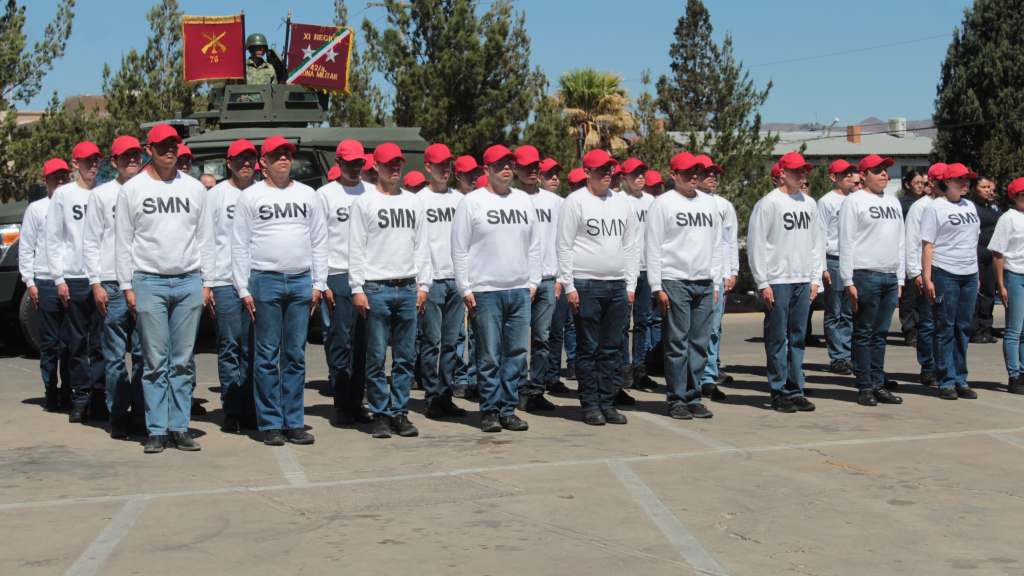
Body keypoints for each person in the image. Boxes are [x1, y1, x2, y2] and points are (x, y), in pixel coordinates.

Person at [115, 123, 208, 453]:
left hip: (187, 281)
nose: (170, 150)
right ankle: (156, 428)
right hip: (149, 281)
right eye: (163, 145)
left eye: (174, 145)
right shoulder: (133, 189)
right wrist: (127, 285)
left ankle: (179, 426)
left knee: (182, 360)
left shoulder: (195, 189)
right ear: (149, 150)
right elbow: (124, 242)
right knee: (154, 361)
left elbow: (204, 239)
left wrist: (205, 281)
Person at [233, 135, 326, 446]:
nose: (284, 159)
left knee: (295, 355)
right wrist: (243, 289)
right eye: (277, 155)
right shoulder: (251, 197)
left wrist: (318, 283)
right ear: (264, 163)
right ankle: (270, 422)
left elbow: (319, 240)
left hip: (301, 280)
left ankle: (293, 421)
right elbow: (240, 244)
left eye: (287, 154)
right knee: (267, 355)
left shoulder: (308, 195)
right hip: (265, 280)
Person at [452, 144, 541, 433]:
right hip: (485, 290)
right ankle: (489, 410)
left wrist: (533, 282)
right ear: (486, 169)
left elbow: (535, 245)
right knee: (489, 355)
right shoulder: (472, 202)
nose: (506, 168)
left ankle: (508, 408)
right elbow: (460, 248)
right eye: (500, 164)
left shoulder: (523, 201)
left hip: (519, 290)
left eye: (509, 164)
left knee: (516, 353)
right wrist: (465, 288)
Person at [350, 142, 432, 439]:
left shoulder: (413, 202)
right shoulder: (365, 202)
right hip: (376, 288)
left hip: (407, 286)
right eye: (389, 165)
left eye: (398, 164)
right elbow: (356, 248)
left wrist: (424, 284)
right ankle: (381, 414)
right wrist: (357, 288)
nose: (394, 169)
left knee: (405, 357)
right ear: (377, 168)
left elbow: (422, 247)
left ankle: (400, 412)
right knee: (375, 357)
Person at [557, 149, 639, 425]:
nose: (607, 174)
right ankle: (591, 404)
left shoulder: (622, 203)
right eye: (601, 170)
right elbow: (564, 246)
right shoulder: (575, 202)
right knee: (588, 347)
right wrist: (569, 286)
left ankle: (608, 402)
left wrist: (630, 284)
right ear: (587, 173)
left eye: (610, 169)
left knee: (611, 348)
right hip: (586, 284)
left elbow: (631, 245)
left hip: (616, 286)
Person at [646, 152, 720, 420]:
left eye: (696, 172)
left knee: (699, 343)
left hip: (704, 281)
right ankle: (676, 398)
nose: (693, 177)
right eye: (687, 173)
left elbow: (716, 245)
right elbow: (652, 247)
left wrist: (716, 280)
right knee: (677, 342)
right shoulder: (663, 204)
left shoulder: (709, 204)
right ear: (674, 175)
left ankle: (693, 395)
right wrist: (657, 286)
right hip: (675, 280)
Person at [747, 151, 823, 413]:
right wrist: (762, 282)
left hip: (803, 279)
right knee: (778, 338)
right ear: (782, 173)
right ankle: (778, 390)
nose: (802, 175)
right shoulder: (769, 203)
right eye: (797, 171)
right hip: (778, 280)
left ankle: (796, 388)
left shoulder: (810, 204)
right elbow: (756, 245)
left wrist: (815, 278)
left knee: (798, 336)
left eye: (804, 171)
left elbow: (816, 244)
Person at [83, 135, 145, 439]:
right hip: (111, 282)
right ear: (114, 162)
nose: (131, 160)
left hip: (144, 280)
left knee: (146, 354)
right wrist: (95, 282)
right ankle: (118, 414)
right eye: (125, 156)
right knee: (115, 355)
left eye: (136, 155)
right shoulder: (102, 195)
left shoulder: (148, 190)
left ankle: (143, 413)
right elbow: (91, 241)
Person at [201, 138, 259, 433]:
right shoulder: (217, 195)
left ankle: (250, 406)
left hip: (257, 281)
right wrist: (208, 282)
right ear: (229, 164)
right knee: (229, 346)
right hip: (225, 282)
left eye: (250, 159)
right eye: (240, 160)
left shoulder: (264, 193)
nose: (246, 164)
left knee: (254, 347)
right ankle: (232, 407)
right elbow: (207, 239)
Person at [838, 154, 905, 407]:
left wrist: (900, 278)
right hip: (865, 274)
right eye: (878, 171)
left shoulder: (893, 202)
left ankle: (878, 383)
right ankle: (865, 386)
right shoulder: (854, 202)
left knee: (880, 334)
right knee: (864, 333)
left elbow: (900, 240)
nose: (884, 175)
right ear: (864, 175)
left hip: (889, 275)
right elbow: (846, 241)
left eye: (886, 170)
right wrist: (848, 280)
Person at [47, 140, 105, 423]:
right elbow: (54, 238)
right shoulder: (64, 195)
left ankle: (100, 395)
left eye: (96, 160)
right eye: (87, 161)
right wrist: (59, 277)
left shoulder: (105, 193)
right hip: (75, 277)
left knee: (102, 342)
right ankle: (80, 396)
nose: (92, 165)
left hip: (103, 277)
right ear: (75, 164)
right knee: (77, 342)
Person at [316, 140, 372, 426]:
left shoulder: (372, 193)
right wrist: (321, 280)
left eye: (359, 163)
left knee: (364, 344)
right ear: (338, 162)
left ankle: (358, 400)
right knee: (340, 342)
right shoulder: (325, 195)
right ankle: (341, 403)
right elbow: (317, 239)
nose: (354, 168)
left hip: (368, 276)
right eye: (349, 163)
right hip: (337, 275)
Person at [416, 143, 468, 420]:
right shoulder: (419, 201)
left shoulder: (460, 200)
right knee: (431, 341)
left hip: (456, 280)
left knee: (451, 343)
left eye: (448, 165)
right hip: (432, 281)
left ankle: (445, 395)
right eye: (439, 165)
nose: (444, 169)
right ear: (428, 167)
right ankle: (431, 395)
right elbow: (415, 243)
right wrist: (421, 282)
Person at [921, 163, 981, 400]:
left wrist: (976, 275)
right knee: (945, 327)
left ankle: (960, 379)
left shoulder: (971, 206)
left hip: (969, 273)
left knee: (963, 327)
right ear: (947, 182)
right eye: (960, 180)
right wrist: (927, 277)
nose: (966, 184)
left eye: (967, 179)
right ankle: (946, 380)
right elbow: (928, 244)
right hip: (945, 272)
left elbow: (973, 241)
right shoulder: (935, 208)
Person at [514, 145, 563, 412]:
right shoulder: (509, 199)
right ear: (517, 168)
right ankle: (516, 388)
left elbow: (563, 241)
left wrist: (561, 277)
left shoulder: (556, 202)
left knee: (542, 338)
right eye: (527, 166)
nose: (533, 170)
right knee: (517, 341)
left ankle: (535, 390)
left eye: (536, 166)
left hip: (547, 280)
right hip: (518, 282)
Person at [20, 158, 71, 412]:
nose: (60, 182)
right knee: (51, 342)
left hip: (72, 279)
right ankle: (51, 389)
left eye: (64, 176)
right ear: (46, 181)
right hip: (45, 281)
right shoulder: (37, 209)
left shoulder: (76, 202)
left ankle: (71, 391)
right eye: (55, 178)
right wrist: (30, 281)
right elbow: (27, 247)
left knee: (72, 342)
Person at [696, 154, 739, 398]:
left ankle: (709, 376)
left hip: (719, 278)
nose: (712, 178)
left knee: (713, 329)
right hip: (693, 276)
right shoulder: (685, 203)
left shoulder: (724, 206)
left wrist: (732, 271)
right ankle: (690, 376)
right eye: (706, 173)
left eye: (715, 174)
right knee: (693, 332)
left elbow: (730, 240)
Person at [905, 163, 948, 387]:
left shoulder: (953, 206)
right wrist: (916, 273)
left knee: (946, 324)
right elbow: (912, 241)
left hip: (949, 272)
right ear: (931, 183)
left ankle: (945, 366)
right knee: (928, 323)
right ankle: (928, 367)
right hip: (927, 272)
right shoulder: (920, 207)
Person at [618, 157, 656, 394]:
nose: (640, 178)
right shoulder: (619, 201)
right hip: (625, 271)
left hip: (647, 268)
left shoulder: (653, 202)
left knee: (644, 321)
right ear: (624, 178)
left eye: (643, 173)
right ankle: (624, 369)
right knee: (623, 323)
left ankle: (640, 367)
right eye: (634, 174)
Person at [538, 157, 575, 394]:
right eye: (549, 174)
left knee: (555, 331)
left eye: (556, 174)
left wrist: (563, 277)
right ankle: (530, 380)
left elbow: (567, 244)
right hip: (530, 279)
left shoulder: (562, 204)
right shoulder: (523, 201)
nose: (554, 178)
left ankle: (551, 376)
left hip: (555, 278)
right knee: (534, 336)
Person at [818, 160, 858, 375]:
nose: (851, 178)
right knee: (835, 311)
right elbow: (821, 233)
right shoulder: (827, 201)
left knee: (850, 310)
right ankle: (838, 357)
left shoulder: (857, 199)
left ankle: (849, 353)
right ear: (834, 178)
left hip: (854, 260)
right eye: (845, 174)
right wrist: (822, 266)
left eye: (852, 173)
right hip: (834, 258)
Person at [991, 177, 1024, 394]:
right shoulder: (1008, 218)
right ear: (1015, 197)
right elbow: (997, 253)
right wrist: (1001, 284)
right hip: (1015, 276)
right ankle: (1014, 375)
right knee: (1013, 329)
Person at [451, 154, 481, 398]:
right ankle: (459, 376)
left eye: (476, 173)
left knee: (475, 332)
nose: (474, 177)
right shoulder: (456, 200)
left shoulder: (480, 200)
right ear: (458, 175)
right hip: (452, 275)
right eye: (468, 173)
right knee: (457, 333)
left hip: (477, 277)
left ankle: (473, 377)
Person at [897, 170, 928, 347]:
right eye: (915, 182)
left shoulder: (928, 204)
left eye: (921, 183)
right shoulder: (901, 204)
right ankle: (909, 329)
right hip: (907, 251)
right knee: (909, 296)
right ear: (907, 184)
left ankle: (921, 328)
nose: (919, 186)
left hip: (923, 252)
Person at [970, 175, 1002, 343]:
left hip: (992, 254)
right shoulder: (971, 206)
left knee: (990, 291)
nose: (988, 190)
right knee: (977, 291)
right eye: (984, 187)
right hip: (977, 252)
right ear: (975, 189)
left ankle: (986, 326)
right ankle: (974, 328)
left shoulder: (995, 206)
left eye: (990, 187)